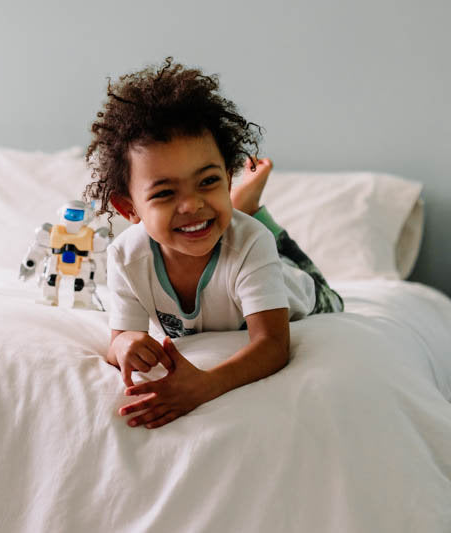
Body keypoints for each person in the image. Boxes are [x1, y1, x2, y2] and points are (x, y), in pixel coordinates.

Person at [83, 58, 343, 429]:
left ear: (226, 173)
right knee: (226, 224)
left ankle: (249, 211)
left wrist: (206, 385)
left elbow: (271, 345)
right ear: (129, 208)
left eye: (207, 182)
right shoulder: (125, 257)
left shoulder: (251, 244)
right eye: (166, 192)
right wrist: (124, 346)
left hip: (296, 288)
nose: (191, 204)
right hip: (228, 245)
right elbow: (122, 336)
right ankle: (241, 207)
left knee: (310, 279)